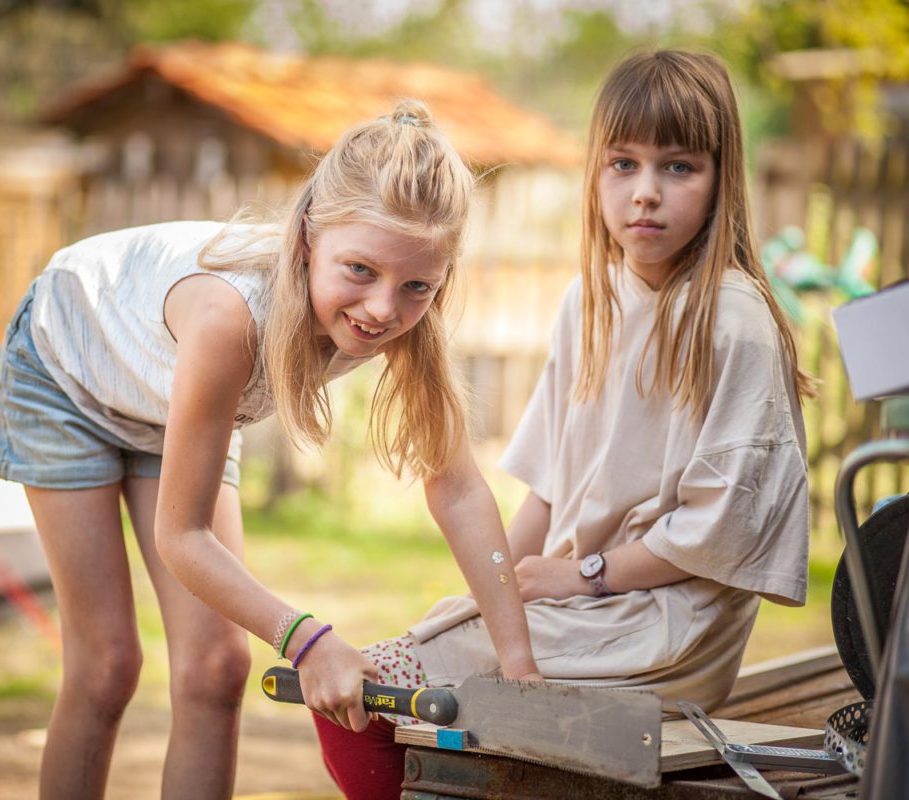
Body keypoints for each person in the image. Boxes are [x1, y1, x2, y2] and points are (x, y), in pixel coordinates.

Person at [0, 99, 541, 800]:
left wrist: (518, 664)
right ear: (308, 236)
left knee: (217, 669)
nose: (382, 311)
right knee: (106, 665)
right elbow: (181, 537)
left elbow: (459, 490)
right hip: (66, 370)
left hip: (167, 397)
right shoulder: (231, 319)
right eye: (360, 270)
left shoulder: (407, 327)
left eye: (417, 287)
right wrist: (309, 640)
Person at [314, 50, 816, 799]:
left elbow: (719, 535)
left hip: (665, 628)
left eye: (678, 168)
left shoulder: (733, 324)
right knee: (396, 664)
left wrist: (581, 576)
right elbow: (547, 488)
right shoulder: (592, 301)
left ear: (722, 180)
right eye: (623, 164)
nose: (645, 194)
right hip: (582, 604)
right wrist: (498, 591)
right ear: (595, 172)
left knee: (381, 686)